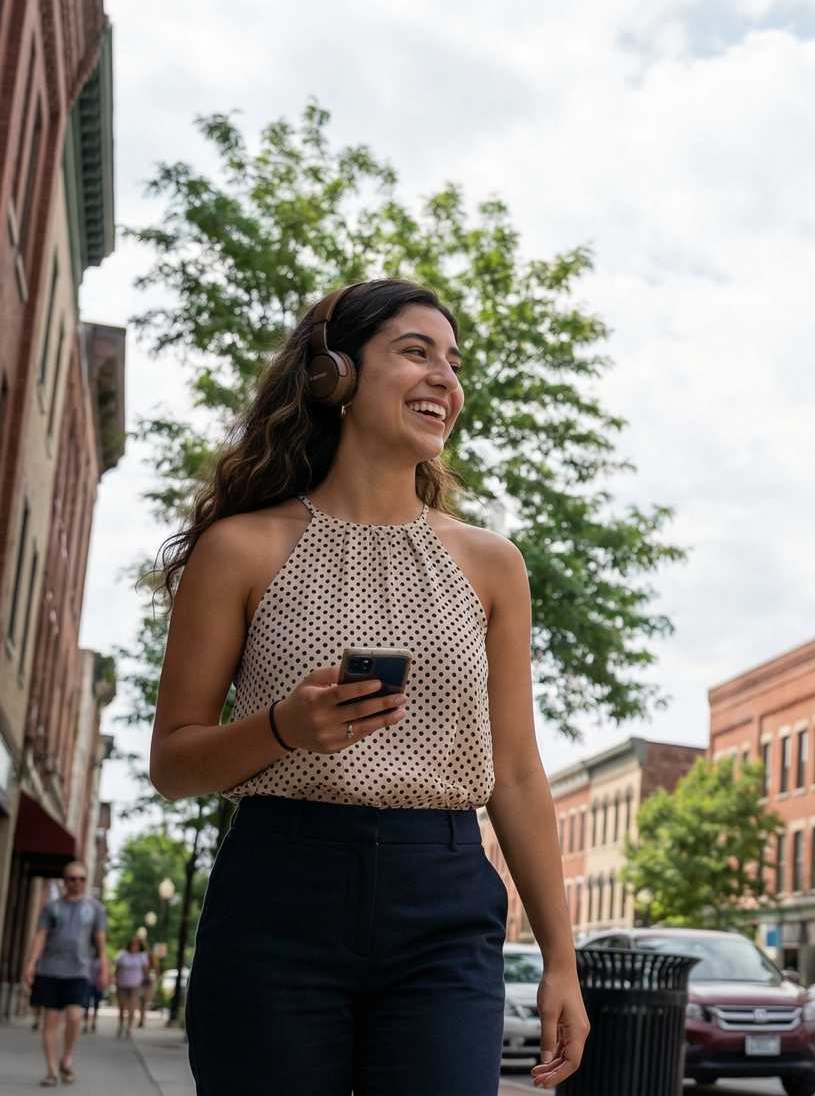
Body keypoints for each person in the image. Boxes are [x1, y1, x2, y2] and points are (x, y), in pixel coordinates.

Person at [148, 279, 587, 1094]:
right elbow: (173, 764)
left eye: (453, 364)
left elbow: (518, 773)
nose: (444, 379)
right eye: (414, 352)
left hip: (446, 904)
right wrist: (282, 727)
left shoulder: (493, 564)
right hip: (278, 892)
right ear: (335, 377)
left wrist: (560, 959)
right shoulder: (240, 549)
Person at [21, 863, 111, 1087]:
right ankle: (51, 1071)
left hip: (80, 970)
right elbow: (40, 935)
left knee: (74, 1017)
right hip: (50, 970)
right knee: (50, 1022)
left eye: (80, 878)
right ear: (64, 880)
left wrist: (105, 969)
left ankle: (67, 1058)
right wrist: (31, 963)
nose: (76, 882)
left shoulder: (95, 908)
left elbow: (100, 941)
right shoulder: (52, 907)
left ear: (85, 880)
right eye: (71, 878)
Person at [114, 938, 149, 1037]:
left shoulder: (142, 956)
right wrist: (115, 979)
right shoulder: (122, 954)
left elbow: (145, 971)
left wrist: (147, 982)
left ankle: (129, 1028)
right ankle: (121, 1025)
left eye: (137, 945)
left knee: (132, 1008)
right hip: (122, 984)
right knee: (121, 1007)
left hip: (135, 985)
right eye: (133, 945)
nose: (135, 947)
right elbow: (117, 969)